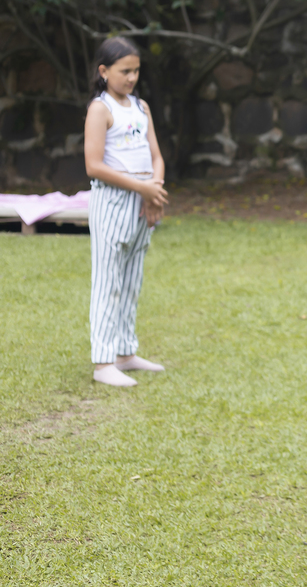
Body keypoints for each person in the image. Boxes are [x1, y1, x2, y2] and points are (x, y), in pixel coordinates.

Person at [82, 38, 169, 387]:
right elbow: (93, 165)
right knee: (109, 282)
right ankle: (103, 363)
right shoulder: (100, 109)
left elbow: (156, 155)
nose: (132, 78)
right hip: (112, 202)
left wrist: (154, 191)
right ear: (104, 72)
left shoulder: (141, 107)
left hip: (143, 204)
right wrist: (141, 187)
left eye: (136, 71)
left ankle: (125, 352)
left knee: (132, 279)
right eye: (124, 71)